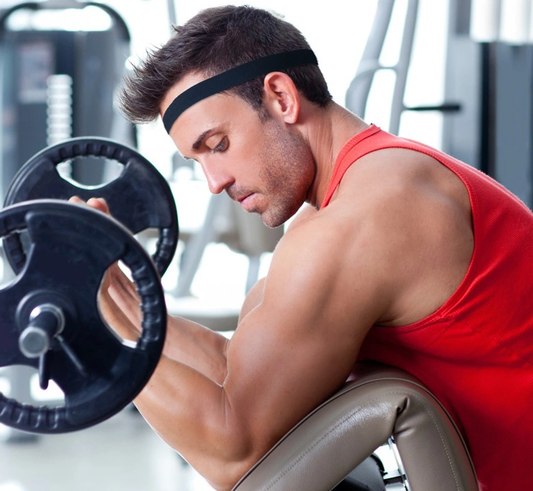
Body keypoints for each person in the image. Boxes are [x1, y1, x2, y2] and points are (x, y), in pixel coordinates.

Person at [83, 5, 532, 491]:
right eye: (197, 161)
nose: (215, 182)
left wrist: (89, 337)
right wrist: (116, 303)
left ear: (280, 96)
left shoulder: (364, 219)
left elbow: (231, 454)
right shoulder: (348, 201)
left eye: (217, 144)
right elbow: (235, 370)